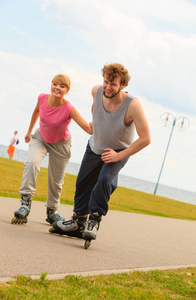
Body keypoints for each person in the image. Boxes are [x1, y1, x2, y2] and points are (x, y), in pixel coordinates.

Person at [51, 63, 151, 243]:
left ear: (123, 85)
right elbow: (95, 111)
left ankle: (94, 220)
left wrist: (119, 156)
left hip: (117, 151)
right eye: (106, 81)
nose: (108, 87)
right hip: (95, 146)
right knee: (82, 182)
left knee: (104, 179)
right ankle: (78, 222)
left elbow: (145, 138)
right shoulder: (96, 91)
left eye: (113, 84)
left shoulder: (133, 105)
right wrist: (95, 125)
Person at [11, 74, 93, 225]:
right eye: (55, 84)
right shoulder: (42, 98)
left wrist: (96, 121)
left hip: (61, 145)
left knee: (56, 180)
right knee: (31, 163)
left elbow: (88, 129)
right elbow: (36, 112)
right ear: (51, 85)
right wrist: (29, 132)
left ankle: (52, 211)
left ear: (67, 90)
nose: (57, 88)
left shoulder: (69, 108)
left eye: (62, 86)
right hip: (41, 138)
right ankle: (25, 203)